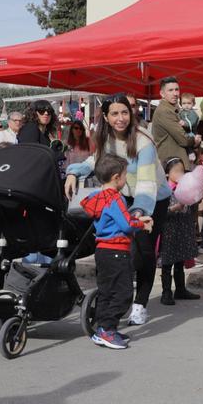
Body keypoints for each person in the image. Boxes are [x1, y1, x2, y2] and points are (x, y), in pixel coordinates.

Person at [65, 93, 173, 327]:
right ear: (106, 116)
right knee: (125, 251)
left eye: (124, 112)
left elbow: (146, 181)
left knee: (144, 252)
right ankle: (119, 296)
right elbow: (96, 162)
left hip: (152, 198)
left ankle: (139, 305)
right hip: (123, 196)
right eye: (114, 113)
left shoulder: (143, 140)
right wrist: (74, 172)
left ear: (131, 113)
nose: (120, 118)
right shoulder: (105, 138)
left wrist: (139, 212)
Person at [81, 154, 154, 350]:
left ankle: (104, 329)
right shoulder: (115, 198)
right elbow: (126, 224)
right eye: (124, 176)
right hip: (117, 250)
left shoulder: (95, 197)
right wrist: (142, 224)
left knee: (106, 291)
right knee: (123, 293)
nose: (125, 179)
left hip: (102, 250)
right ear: (116, 177)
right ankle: (107, 329)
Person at [159, 158, 202, 306]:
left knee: (180, 260)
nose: (180, 174)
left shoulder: (186, 187)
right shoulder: (164, 190)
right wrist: (174, 208)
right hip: (169, 229)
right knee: (167, 261)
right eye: (176, 171)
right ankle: (166, 292)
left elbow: (193, 206)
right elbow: (160, 213)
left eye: (182, 171)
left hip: (183, 227)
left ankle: (180, 289)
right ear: (167, 174)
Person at [152, 77, 198, 168]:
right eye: (170, 90)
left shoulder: (173, 109)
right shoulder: (164, 111)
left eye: (177, 90)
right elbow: (183, 139)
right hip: (172, 166)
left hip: (176, 164)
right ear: (162, 93)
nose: (175, 93)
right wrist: (195, 140)